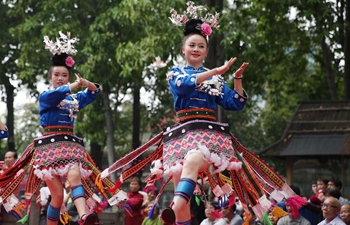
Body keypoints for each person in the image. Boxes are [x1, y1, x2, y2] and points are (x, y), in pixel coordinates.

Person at [100, 2, 291, 225]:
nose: (196, 49)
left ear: (206, 51)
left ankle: (173, 207)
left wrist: (236, 79)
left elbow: (236, 103)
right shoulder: (175, 73)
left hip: (208, 136)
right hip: (180, 136)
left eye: (201, 46)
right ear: (183, 49)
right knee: (182, 194)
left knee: (192, 161)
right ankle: (178, 211)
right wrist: (215, 71)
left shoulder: (216, 79)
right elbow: (184, 85)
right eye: (192, 45)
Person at [0, 31, 114, 225]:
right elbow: (58, 95)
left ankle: (84, 216)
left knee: (75, 177)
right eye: (57, 75)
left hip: (70, 145)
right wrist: (73, 86)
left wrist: (86, 84)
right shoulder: (46, 96)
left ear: (69, 76)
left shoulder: (74, 98)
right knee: (58, 197)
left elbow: (93, 92)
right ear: (50, 77)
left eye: (64, 75)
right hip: (49, 148)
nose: (60, 78)